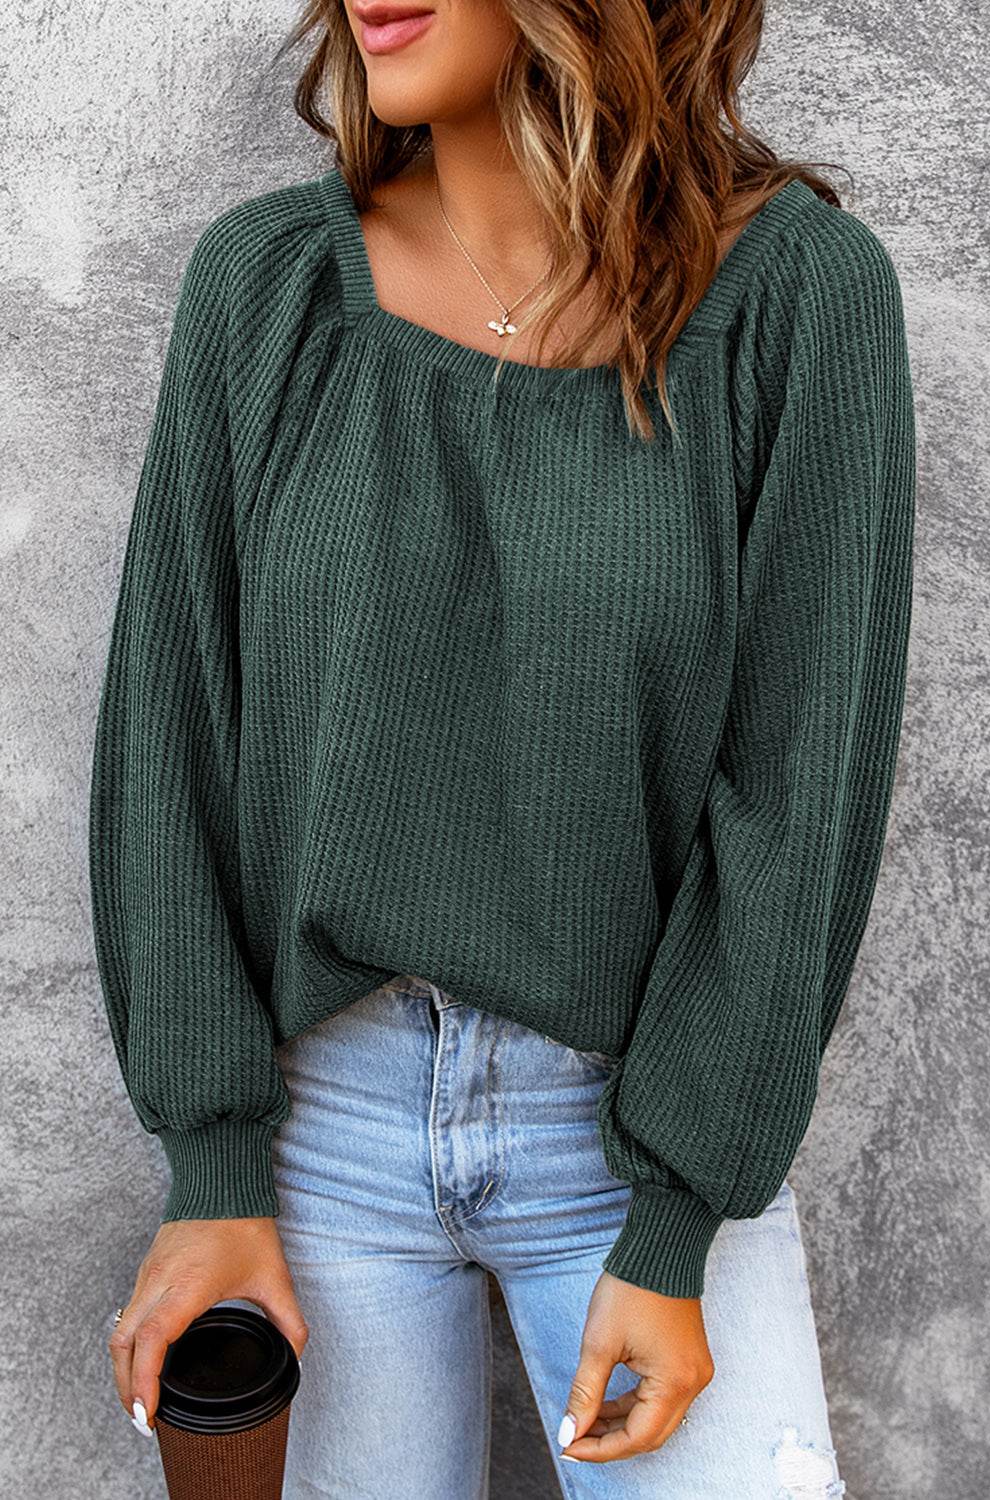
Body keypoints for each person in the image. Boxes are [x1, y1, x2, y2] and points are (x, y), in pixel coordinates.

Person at [89, 0, 915, 1494]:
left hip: (632, 1126)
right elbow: (170, 742)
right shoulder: (266, 287)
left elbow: (799, 794)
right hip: (315, 1132)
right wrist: (211, 1167)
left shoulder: (798, 296)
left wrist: (674, 1216)